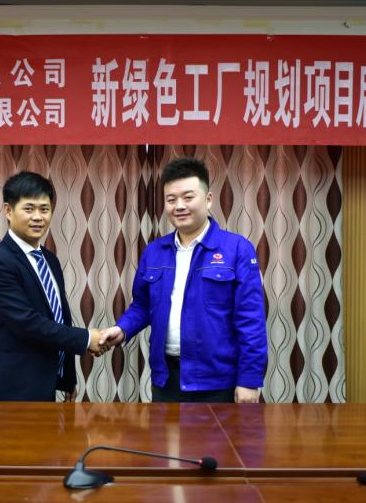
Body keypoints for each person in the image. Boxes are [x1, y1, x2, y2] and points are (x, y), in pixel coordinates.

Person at [100, 157, 267, 403]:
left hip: (218, 383)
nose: (179, 206)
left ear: (208, 199)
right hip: (166, 380)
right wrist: (122, 329)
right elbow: (143, 305)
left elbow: (251, 320)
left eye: (188, 197)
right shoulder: (154, 251)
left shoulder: (237, 249)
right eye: (171, 200)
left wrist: (249, 381)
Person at [0, 171, 104, 402]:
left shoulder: (49, 260)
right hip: (9, 390)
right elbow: (28, 323)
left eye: (44, 209)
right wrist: (86, 339)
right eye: (29, 209)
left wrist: (66, 377)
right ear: (8, 211)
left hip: (44, 384)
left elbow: (59, 317)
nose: (38, 217)